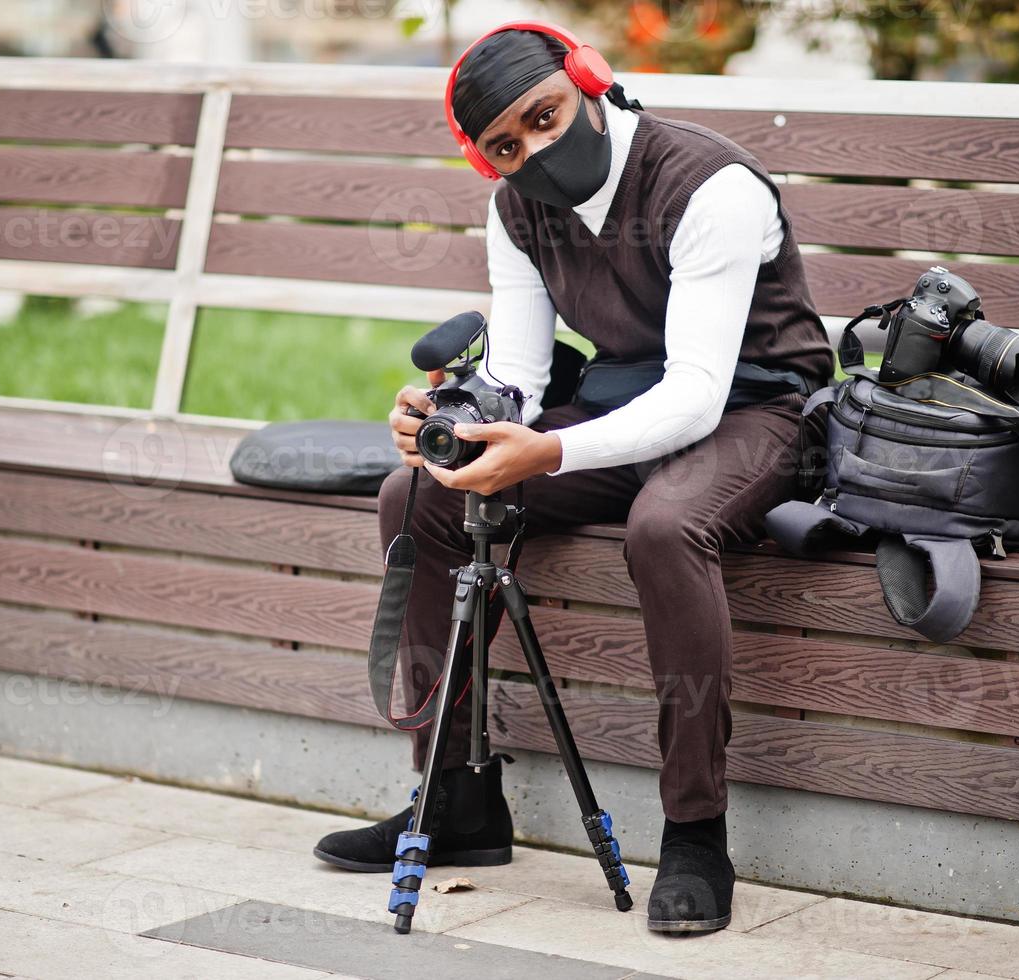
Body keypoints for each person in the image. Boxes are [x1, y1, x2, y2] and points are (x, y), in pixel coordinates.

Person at [313, 21, 832, 935]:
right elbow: (517, 374)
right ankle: (457, 802)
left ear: (588, 84)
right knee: (416, 495)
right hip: (620, 404)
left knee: (666, 527)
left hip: (756, 413)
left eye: (545, 119)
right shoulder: (515, 208)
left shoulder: (708, 184)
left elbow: (699, 397)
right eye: (506, 147)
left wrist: (548, 451)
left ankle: (695, 834)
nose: (535, 153)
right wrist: (454, 417)